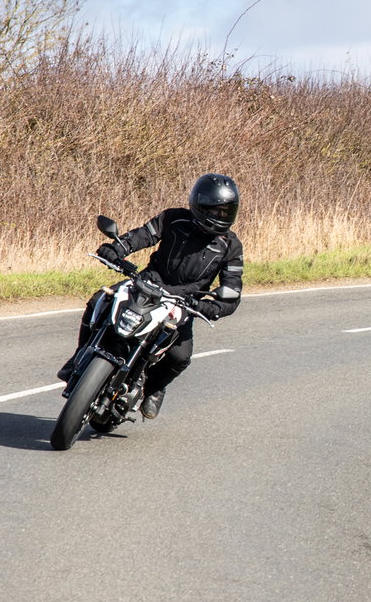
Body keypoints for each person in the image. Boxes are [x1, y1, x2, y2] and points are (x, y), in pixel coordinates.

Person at [58, 173, 244, 420]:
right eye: (216, 211)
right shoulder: (173, 218)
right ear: (199, 206)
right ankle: (79, 356)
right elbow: (142, 236)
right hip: (146, 283)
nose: (222, 217)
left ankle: (152, 389)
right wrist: (117, 248)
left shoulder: (231, 246)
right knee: (99, 301)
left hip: (182, 303)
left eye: (227, 212)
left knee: (180, 357)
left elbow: (232, 291)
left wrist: (212, 306)